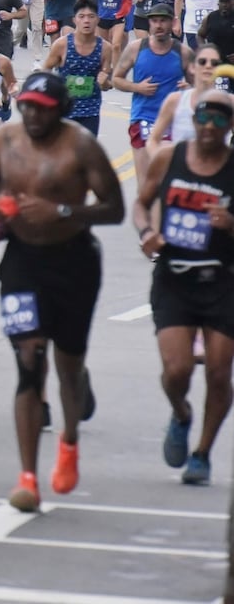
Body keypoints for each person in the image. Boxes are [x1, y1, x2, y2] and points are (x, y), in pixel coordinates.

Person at [0, 70, 124, 511]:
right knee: (29, 361)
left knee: (67, 364)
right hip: (22, 261)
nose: (31, 115)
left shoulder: (81, 145)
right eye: (25, 106)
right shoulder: (4, 138)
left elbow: (114, 209)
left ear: (60, 109)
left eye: (41, 109)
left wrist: (61, 209)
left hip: (74, 261)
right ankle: (27, 476)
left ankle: (70, 440)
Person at [133, 89, 234, 486]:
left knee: (218, 370)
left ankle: (203, 452)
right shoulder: (168, 158)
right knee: (176, 371)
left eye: (220, 120)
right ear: (193, 121)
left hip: (223, 279)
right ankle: (181, 414)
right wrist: (146, 233)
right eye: (204, 118)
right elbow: (141, 203)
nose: (210, 127)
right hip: (175, 275)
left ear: (230, 127)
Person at [115, 2, 193, 182]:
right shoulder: (136, 48)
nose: (158, 25)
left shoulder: (182, 51)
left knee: (168, 182)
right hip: (143, 119)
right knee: (145, 184)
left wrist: (189, 89)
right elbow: (117, 79)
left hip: (173, 122)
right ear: (149, 23)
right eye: (155, 21)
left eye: (163, 21)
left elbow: (199, 87)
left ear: (172, 23)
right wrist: (137, 87)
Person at [40, 0, 115, 136]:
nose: (86, 21)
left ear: (97, 19)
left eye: (91, 17)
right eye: (82, 17)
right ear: (74, 20)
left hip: (90, 111)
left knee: (86, 154)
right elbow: (45, 73)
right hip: (63, 109)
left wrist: (105, 83)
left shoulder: (105, 48)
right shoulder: (61, 45)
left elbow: (107, 84)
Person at [148, 44, 224, 150]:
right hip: (181, 164)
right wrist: (162, 162)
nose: (208, 66)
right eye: (202, 62)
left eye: (214, 63)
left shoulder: (228, 103)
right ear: (192, 67)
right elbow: (153, 140)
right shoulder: (175, 100)